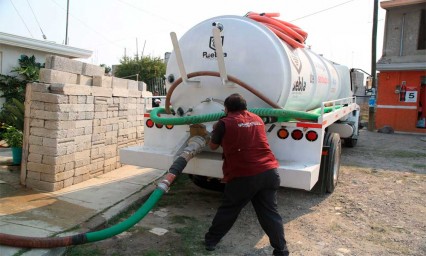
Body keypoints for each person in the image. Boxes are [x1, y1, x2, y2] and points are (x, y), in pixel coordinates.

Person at [205, 93, 289, 255]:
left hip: (244, 175)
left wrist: (214, 132)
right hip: (269, 172)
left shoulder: (224, 123)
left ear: (227, 108)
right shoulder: (257, 119)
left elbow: (213, 146)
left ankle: (211, 241)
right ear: (245, 107)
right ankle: (281, 249)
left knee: (229, 209)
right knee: (269, 213)